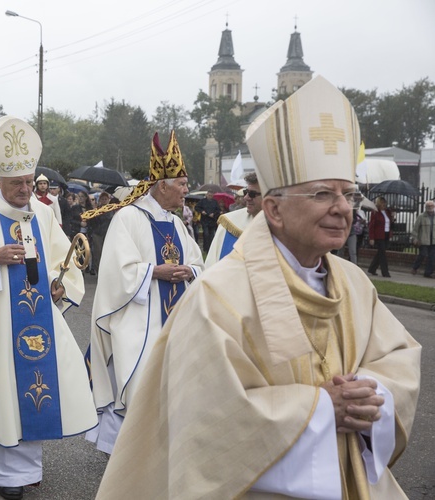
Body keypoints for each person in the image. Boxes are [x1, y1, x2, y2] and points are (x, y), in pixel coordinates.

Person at [95, 76, 421, 499]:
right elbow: (207, 424)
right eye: (323, 194)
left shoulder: (356, 284)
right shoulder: (218, 298)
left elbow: (398, 358)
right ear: (274, 210)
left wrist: (373, 394)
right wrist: (321, 410)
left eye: (349, 195)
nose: (342, 208)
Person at [0, 116, 96, 500]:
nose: (25, 189)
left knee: (33, 391)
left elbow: (58, 258)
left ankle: (20, 474)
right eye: (17, 183)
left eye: (30, 182)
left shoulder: (43, 213)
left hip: (38, 323)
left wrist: (58, 282)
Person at [83, 130, 204, 455]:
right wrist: (154, 271)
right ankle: (126, 454)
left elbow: (198, 262)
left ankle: (160, 451)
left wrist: (189, 271)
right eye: (182, 184)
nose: (186, 190)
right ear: (162, 185)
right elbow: (116, 273)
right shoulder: (129, 218)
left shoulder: (176, 224)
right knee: (137, 385)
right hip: (138, 321)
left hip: (174, 321)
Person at [205, 171, 263, 267]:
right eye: (246, 192)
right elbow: (211, 265)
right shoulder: (229, 222)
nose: (246, 197)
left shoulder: (284, 226)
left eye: (252, 194)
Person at [367, 196, 394, 278]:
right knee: (382, 254)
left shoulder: (388, 212)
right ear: (378, 204)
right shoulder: (375, 212)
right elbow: (371, 226)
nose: (384, 204)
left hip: (386, 234)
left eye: (384, 203)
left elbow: (391, 225)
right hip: (379, 235)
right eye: (382, 203)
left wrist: (392, 217)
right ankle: (385, 272)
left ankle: (372, 269)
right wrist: (371, 238)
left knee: (380, 253)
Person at [411, 199, 435, 278]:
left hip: (433, 241)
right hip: (423, 240)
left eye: (431, 206)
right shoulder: (421, 216)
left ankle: (428, 273)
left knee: (432, 257)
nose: (430, 207)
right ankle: (415, 267)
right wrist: (415, 238)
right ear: (425, 207)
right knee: (423, 254)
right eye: (428, 206)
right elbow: (415, 229)